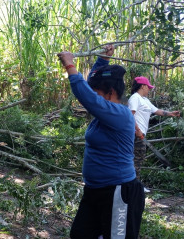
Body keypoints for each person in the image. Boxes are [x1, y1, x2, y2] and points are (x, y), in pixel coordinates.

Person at [57, 45, 145, 239]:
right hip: (94, 190)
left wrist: (70, 65)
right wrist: (102, 60)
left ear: (111, 92)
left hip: (117, 192)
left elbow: (87, 97)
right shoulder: (102, 115)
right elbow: (90, 92)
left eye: (97, 92)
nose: (92, 96)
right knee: (80, 234)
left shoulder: (120, 114)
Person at [128, 76, 180, 187]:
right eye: (148, 87)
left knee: (139, 159)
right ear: (142, 86)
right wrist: (137, 130)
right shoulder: (135, 98)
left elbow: (157, 111)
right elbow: (130, 116)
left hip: (140, 134)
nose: (149, 89)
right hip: (135, 134)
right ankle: (133, 187)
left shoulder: (145, 100)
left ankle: (134, 185)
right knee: (136, 160)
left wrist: (171, 113)